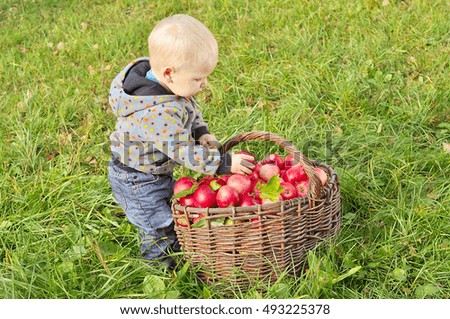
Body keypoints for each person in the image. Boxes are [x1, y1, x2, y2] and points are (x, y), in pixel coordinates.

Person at [107, 14, 255, 269]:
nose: (204, 84)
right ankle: (162, 273)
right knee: (158, 226)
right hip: (137, 179)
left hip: (153, 171)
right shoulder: (156, 113)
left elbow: (188, 108)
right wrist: (223, 163)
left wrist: (202, 132)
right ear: (169, 74)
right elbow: (183, 152)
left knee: (169, 210)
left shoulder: (166, 83)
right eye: (198, 79)